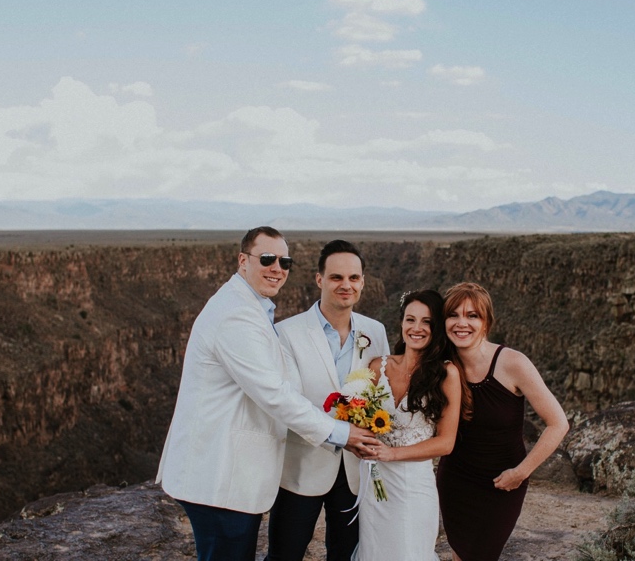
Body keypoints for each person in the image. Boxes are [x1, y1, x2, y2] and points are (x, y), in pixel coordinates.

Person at [156, 227, 381, 561]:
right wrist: (343, 433)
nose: (277, 268)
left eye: (284, 261)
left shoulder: (249, 307)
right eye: (267, 259)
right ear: (242, 260)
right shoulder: (237, 316)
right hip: (219, 476)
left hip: (231, 478)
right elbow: (275, 394)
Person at [266, 240, 390, 561]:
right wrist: (341, 433)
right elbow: (288, 401)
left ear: (362, 282)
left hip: (354, 471)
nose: (346, 285)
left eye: (353, 278)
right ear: (320, 280)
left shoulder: (375, 332)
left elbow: (382, 392)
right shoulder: (286, 333)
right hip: (301, 467)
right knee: (285, 554)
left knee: (347, 554)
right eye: (336, 278)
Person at [435, 282, 569, 561]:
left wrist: (522, 472)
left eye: (473, 315)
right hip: (455, 480)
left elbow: (558, 423)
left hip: (503, 483)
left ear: (486, 323)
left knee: (482, 554)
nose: (462, 323)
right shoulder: (440, 365)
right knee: (460, 554)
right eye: (453, 315)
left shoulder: (512, 363)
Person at [355, 289, 464, 561]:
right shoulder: (377, 366)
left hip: (413, 485)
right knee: (374, 552)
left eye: (426, 322)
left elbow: (446, 442)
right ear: (401, 323)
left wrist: (392, 453)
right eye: (410, 319)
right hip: (375, 482)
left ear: (436, 327)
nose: (416, 328)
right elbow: (359, 414)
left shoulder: (446, 373)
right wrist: (360, 439)